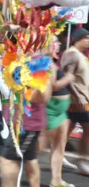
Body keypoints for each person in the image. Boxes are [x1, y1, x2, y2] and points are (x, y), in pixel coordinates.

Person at [0, 55, 53, 187]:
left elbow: (44, 96)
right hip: (12, 121)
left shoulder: (39, 62)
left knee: (9, 162)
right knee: (29, 159)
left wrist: (25, 84)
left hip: (24, 124)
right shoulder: (8, 56)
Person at [42, 36, 75, 187]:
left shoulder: (52, 61)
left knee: (59, 146)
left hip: (60, 112)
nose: (59, 44)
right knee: (36, 148)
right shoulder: (43, 62)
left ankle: (56, 180)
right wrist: (68, 76)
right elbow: (52, 86)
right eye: (55, 41)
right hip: (50, 110)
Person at [61, 28, 89, 175]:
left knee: (67, 130)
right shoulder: (71, 54)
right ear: (77, 39)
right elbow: (68, 77)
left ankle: (59, 157)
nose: (88, 41)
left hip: (82, 98)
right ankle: (83, 162)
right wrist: (77, 97)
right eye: (85, 38)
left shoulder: (80, 55)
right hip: (78, 100)